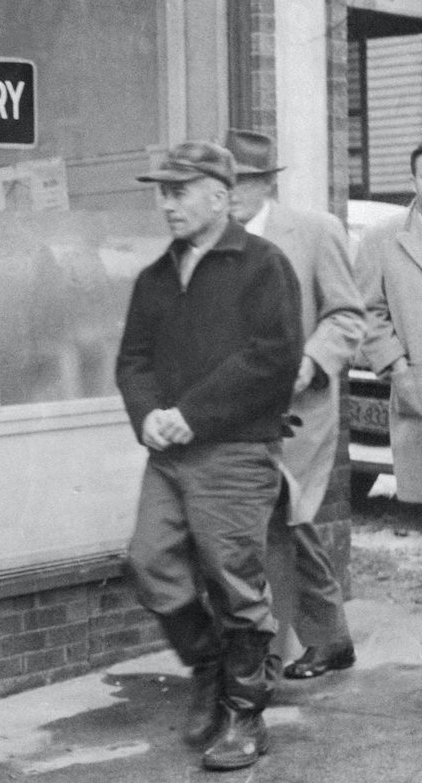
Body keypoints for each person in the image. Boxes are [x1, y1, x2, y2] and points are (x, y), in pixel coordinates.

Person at [116, 140, 304, 771]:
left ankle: (246, 717)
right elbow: (133, 360)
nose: (165, 205)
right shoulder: (155, 277)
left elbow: (271, 359)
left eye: (178, 191)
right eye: (161, 193)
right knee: (149, 562)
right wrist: (148, 417)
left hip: (234, 451)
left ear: (220, 196)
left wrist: (189, 415)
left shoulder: (263, 266)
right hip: (169, 454)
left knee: (236, 582)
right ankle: (208, 667)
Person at [225, 129, 365, 681]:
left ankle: (271, 652)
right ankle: (329, 640)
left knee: (283, 516)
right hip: (239, 410)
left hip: (300, 410)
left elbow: (347, 315)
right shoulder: (217, 240)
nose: (230, 192)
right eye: (222, 181)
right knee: (281, 522)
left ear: (265, 183)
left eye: (239, 181)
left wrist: (310, 360)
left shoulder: (314, 232)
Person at [355, 143, 422, 508]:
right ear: (414, 180)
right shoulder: (381, 238)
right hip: (417, 390)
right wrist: (399, 370)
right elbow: (367, 311)